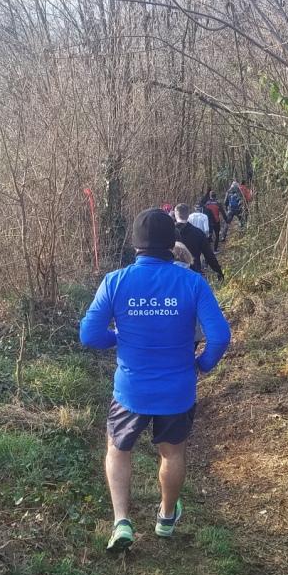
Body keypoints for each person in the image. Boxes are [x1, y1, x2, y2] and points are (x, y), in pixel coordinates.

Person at [80, 209, 231, 553]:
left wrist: (117, 338)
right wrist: (202, 364)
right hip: (177, 390)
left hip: (130, 390)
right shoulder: (192, 282)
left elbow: (89, 334)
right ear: (171, 243)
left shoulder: (116, 281)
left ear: (135, 244)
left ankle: (122, 522)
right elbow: (220, 336)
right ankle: (165, 517)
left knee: (118, 450)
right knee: (172, 453)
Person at [174, 204, 223, 281]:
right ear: (188, 214)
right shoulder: (198, 233)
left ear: (175, 215)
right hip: (194, 274)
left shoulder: (168, 233)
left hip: (174, 276)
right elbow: (209, 255)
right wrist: (218, 271)